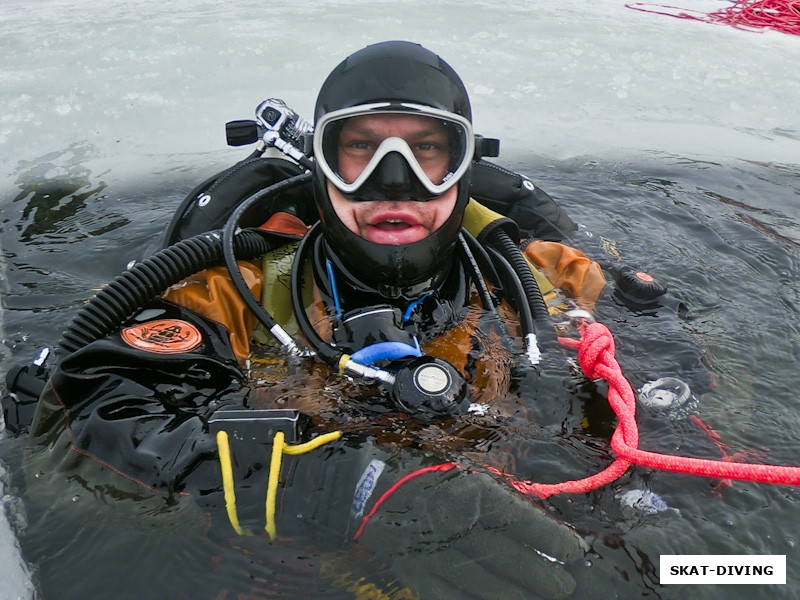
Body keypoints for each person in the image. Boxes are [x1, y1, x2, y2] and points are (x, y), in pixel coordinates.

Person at [19, 41, 617, 599]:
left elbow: (663, 391)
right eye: (359, 148)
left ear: (462, 166)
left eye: (427, 149)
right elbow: (79, 424)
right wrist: (322, 487)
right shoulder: (237, 288)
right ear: (321, 165)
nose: (393, 183)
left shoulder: (542, 280)